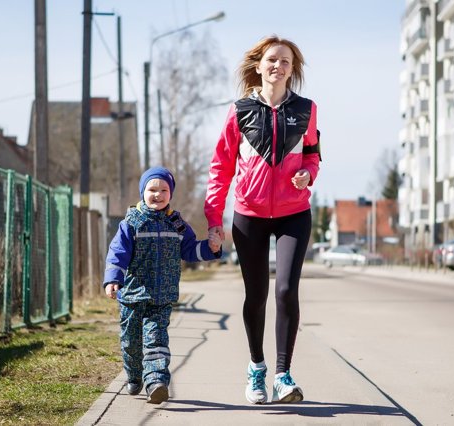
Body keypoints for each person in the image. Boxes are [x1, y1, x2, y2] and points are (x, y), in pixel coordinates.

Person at [205, 35, 321, 404]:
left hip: (294, 213)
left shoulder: (306, 109)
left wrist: (308, 174)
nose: (278, 66)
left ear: (292, 69)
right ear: (259, 66)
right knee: (256, 295)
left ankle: (283, 376)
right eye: (272, 59)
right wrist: (213, 217)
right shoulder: (239, 111)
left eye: (286, 61)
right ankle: (257, 368)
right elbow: (221, 166)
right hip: (249, 215)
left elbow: (314, 155)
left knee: (286, 289)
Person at [104, 166, 222, 404]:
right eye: (152, 189)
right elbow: (118, 253)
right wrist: (113, 279)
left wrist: (211, 248)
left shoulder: (176, 224)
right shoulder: (132, 223)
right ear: (142, 192)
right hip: (132, 296)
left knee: (156, 339)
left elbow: (189, 250)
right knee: (131, 341)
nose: (157, 194)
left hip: (162, 296)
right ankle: (134, 376)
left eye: (163, 190)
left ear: (171, 193)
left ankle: (156, 381)